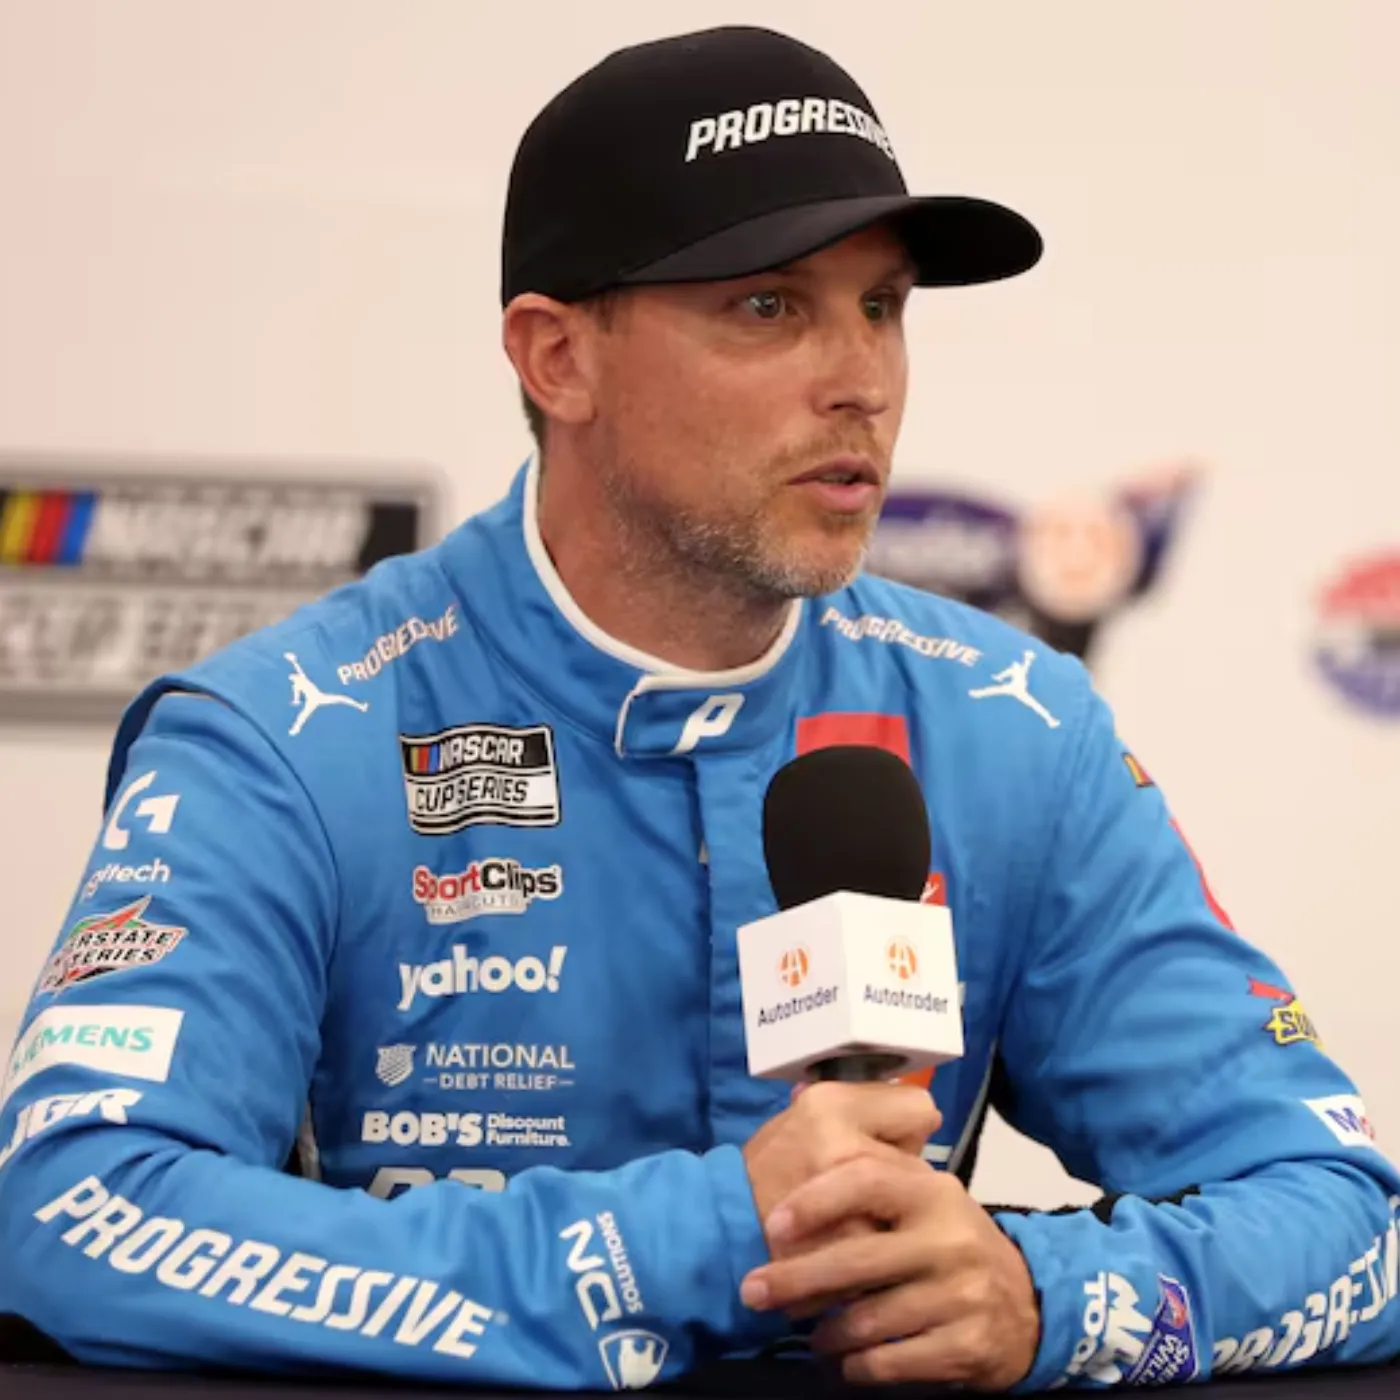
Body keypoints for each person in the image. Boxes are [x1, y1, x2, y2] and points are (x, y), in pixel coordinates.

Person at [0, 23, 1395, 1393]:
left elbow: (1348, 1217)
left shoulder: (1011, 727)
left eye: (883, 306)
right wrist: (705, 1239)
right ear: (558, 359)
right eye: (770, 307)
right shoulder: (290, 735)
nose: (860, 381)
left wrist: (1052, 1301)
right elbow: (69, 1208)